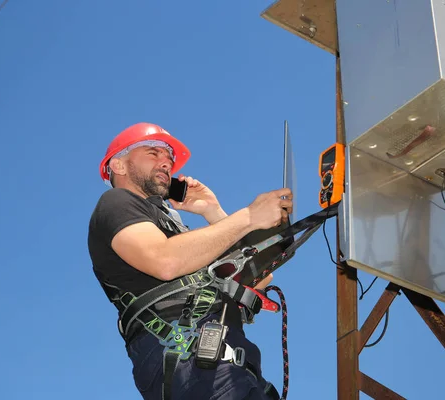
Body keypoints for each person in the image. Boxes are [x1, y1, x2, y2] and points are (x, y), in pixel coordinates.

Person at [87, 122, 293, 400]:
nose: (166, 162)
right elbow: (164, 260)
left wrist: (212, 210)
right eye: (153, 153)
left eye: (169, 158)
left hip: (226, 365)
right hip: (188, 358)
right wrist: (248, 217)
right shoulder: (115, 202)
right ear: (118, 165)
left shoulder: (178, 231)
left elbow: (260, 277)